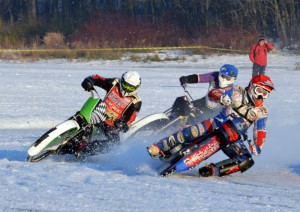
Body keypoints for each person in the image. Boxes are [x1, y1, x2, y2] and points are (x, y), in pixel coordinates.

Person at [147, 75, 274, 177]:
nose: (261, 96)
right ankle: (160, 146)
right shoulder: (236, 91)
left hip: (234, 137)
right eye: (259, 91)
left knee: (247, 161)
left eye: (266, 93)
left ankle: (213, 170)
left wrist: (258, 146)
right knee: (194, 130)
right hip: (217, 122)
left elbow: (261, 129)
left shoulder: (262, 111)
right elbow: (214, 92)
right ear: (251, 87)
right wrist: (221, 97)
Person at [74, 71, 142, 157]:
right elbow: (99, 79)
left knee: (114, 145)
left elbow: (131, 117)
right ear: (122, 81)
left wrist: (124, 124)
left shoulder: (136, 101)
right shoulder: (114, 83)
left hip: (111, 125)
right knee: (81, 118)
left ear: (136, 88)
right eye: (125, 85)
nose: (127, 89)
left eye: (131, 88)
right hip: (98, 112)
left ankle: (85, 149)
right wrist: (90, 80)